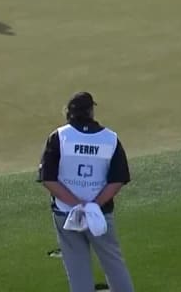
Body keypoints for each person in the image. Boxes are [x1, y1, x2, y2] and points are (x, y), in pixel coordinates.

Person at [38, 92, 135, 292]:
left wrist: (77, 205)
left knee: (76, 267)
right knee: (113, 262)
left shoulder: (59, 137)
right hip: (99, 214)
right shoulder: (110, 139)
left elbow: (48, 178)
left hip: (66, 213)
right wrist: (93, 206)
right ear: (91, 111)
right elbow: (117, 180)